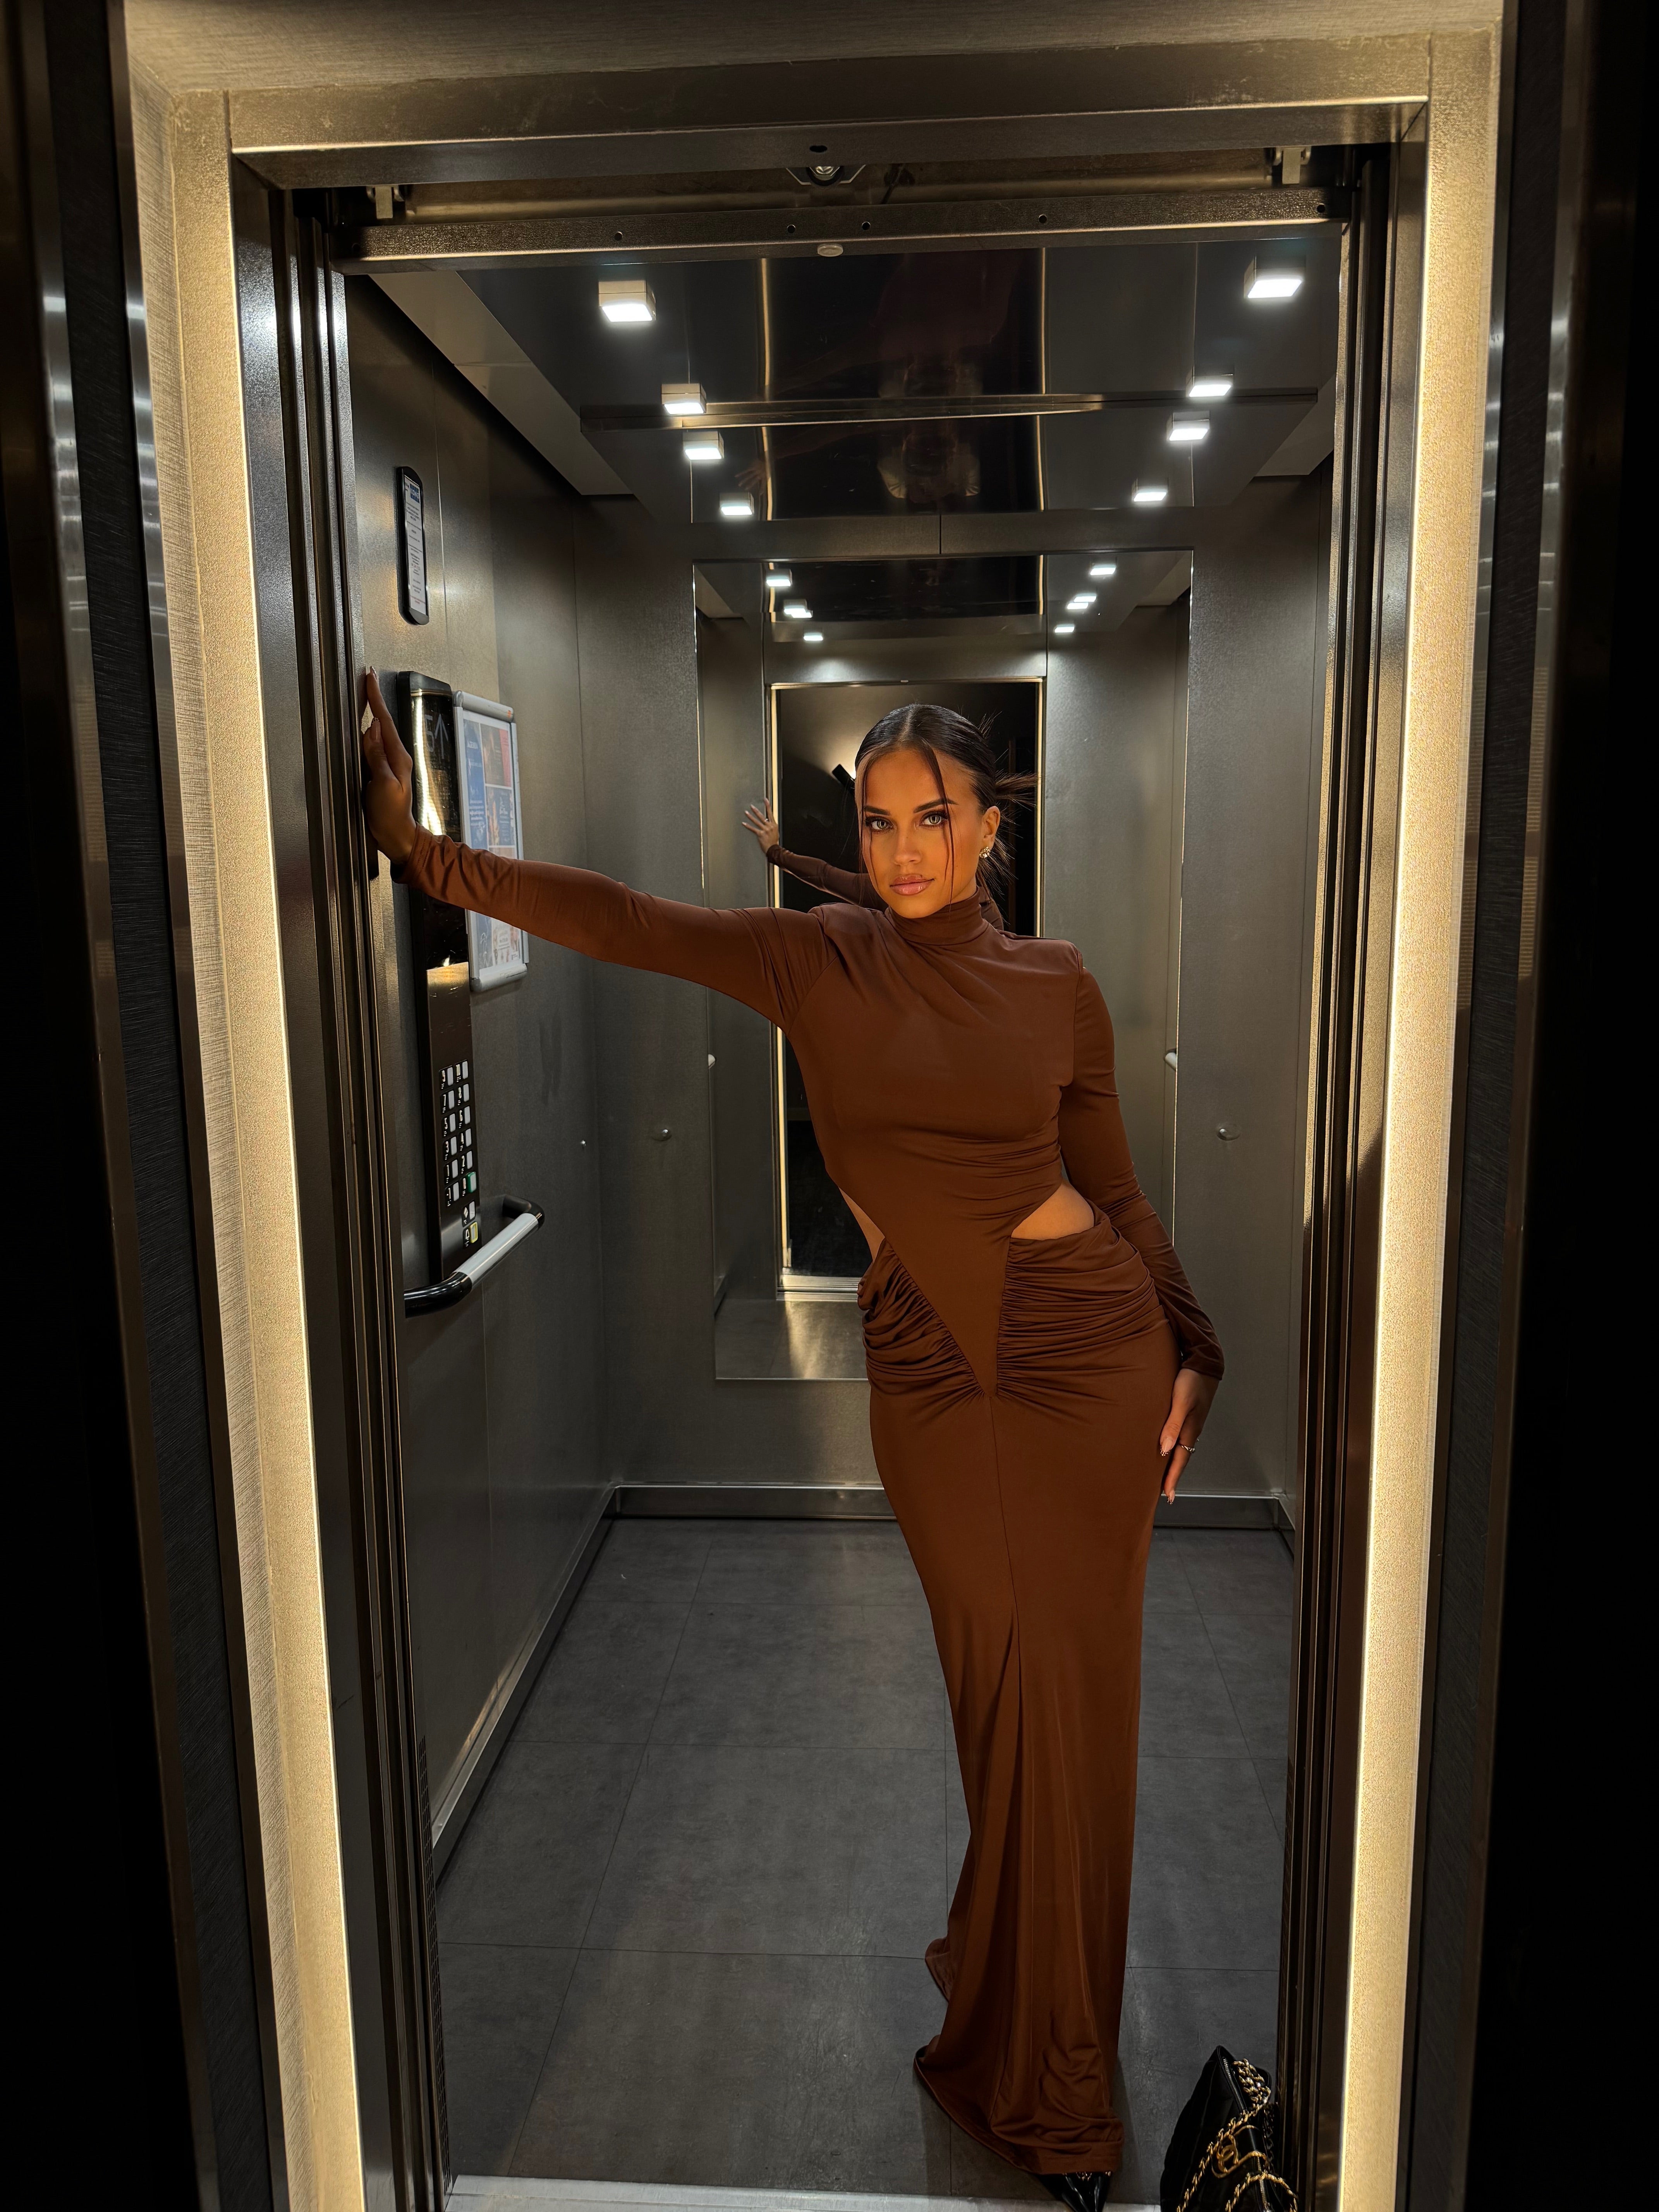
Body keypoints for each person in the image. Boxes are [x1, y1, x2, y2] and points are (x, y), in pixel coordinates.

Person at [360, 677, 1222, 2211]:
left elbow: (1118, 1193)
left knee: (1077, 1714)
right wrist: (429, 856)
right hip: (933, 1377)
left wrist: (1194, 1339)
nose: (901, 848)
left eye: (931, 818)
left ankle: (1061, 2088)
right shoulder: (812, 955)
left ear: (989, 826)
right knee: (1000, 1704)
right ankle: (1016, 1985)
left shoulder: (1060, 985)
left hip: (1093, 1356)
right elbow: (625, 919)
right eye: (875, 823)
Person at [741, 794, 1006, 929]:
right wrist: (775, 851)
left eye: (934, 819)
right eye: (881, 824)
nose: (903, 855)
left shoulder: (988, 922)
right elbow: (825, 875)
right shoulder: (893, 892)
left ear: (987, 830)